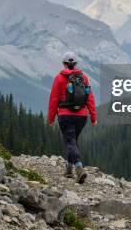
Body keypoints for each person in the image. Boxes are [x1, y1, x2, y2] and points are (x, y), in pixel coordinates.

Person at [47, 51, 97, 183]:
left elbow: (54, 99)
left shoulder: (59, 78)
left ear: (64, 64)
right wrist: (93, 116)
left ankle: (79, 168)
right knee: (73, 141)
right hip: (81, 116)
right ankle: (69, 170)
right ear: (76, 64)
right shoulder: (84, 77)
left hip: (65, 115)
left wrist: (51, 118)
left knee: (70, 142)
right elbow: (90, 98)